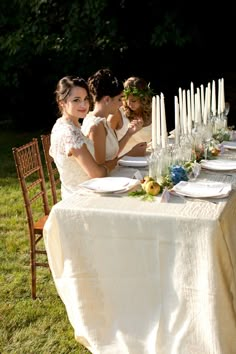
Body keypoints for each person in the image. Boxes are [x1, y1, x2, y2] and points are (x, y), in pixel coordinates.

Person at [49, 75, 117, 200]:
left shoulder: (64, 125)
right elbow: (96, 174)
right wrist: (115, 163)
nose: (83, 104)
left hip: (83, 191)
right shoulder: (69, 133)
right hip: (81, 199)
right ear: (62, 102)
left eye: (86, 99)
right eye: (76, 100)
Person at [81, 68, 146, 165]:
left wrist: (129, 134)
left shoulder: (101, 121)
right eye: (120, 99)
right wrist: (130, 154)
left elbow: (111, 154)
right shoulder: (97, 126)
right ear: (107, 99)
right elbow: (101, 168)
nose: (122, 104)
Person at [108, 76, 153, 155]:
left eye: (133, 100)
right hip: (123, 163)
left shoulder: (153, 110)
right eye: (126, 99)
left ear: (143, 99)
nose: (129, 104)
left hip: (148, 160)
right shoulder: (117, 114)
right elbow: (107, 149)